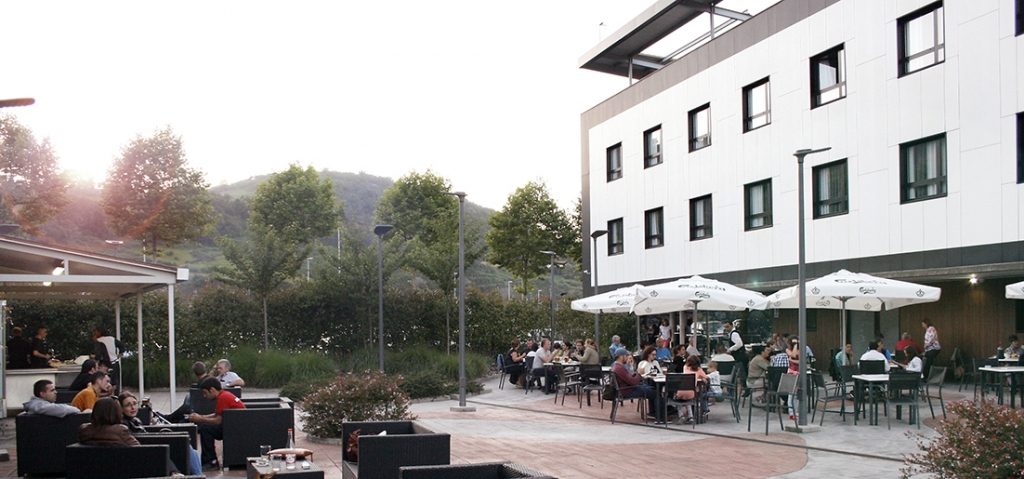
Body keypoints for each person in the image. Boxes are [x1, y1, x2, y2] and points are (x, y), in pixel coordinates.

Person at [121, 392, 202, 475]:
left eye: (134, 403)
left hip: (152, 448)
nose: (133, 407)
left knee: (193, 451)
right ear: (121, 408)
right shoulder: (124, 425)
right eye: (128, 405)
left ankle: (198, 476)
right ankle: (198, 476)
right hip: (147, 453)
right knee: (188, 448)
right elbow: (139, 443)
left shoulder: (136, 421)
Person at [189, 376, 246, 470]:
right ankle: (209, 460)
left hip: (235, 429)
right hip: (235, 425)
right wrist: (201, 416)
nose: (204, 396)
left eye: (205, 393)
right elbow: (217, 414)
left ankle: (211, 461)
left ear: (212, 390)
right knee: (206, 426)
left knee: (205, 428)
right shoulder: (224, 395)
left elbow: (218, 421)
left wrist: (200, 419)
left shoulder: (222, 398)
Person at [611, 348, 659, 421]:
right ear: (621, 357)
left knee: (651, 389)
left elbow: (629, 379)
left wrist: (636, 374)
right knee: (655, 393)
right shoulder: (620, 368)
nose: (627, 358)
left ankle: (653, 414)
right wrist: (639, 374)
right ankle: (660, 417)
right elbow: (633, 382)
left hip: (626, 389)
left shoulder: (617, 367)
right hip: (628, 391)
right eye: (626, 356)